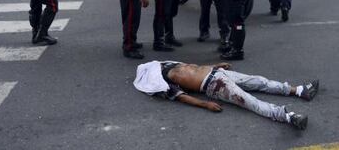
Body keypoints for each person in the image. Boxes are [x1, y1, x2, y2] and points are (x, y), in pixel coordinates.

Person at [133, 60, 319, 130]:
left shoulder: (169, 65)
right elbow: (183, 97)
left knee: (259, 81)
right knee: (249, 101)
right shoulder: (165, 83)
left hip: (218, 74)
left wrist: (216, 65)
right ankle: (288, 116)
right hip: (214, 85)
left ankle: (300, 90)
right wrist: (206, 105)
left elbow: (197, 67)